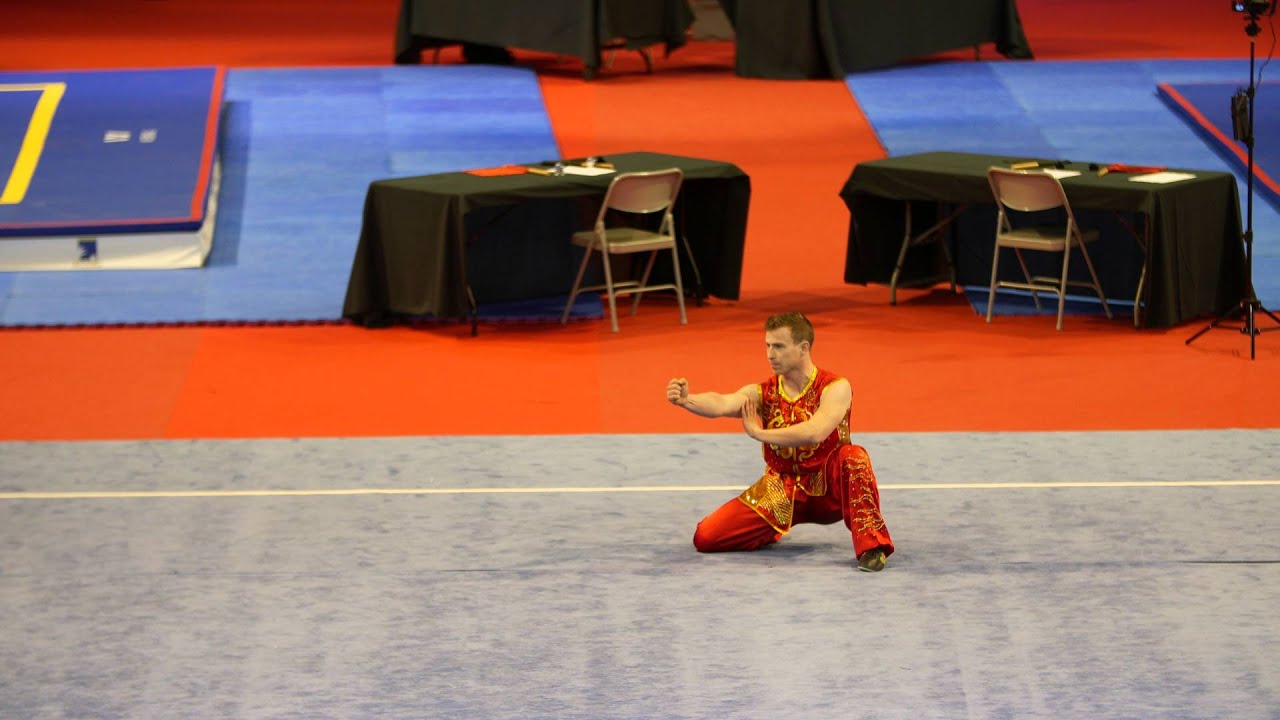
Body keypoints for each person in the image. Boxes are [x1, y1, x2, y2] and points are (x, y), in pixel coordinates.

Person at [665, 312, 895, 571]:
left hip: (828, 489)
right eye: (767, 345)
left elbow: (816, 431)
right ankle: (769, 529)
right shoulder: (763, 392)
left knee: (854, 457)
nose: (770, 354)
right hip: (781, 489)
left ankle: (872, 547)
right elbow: (723, 402)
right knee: (706, 537)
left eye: (779, 346)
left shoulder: (836, 387)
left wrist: (760, 434)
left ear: (803, 347)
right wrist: (688, 400)